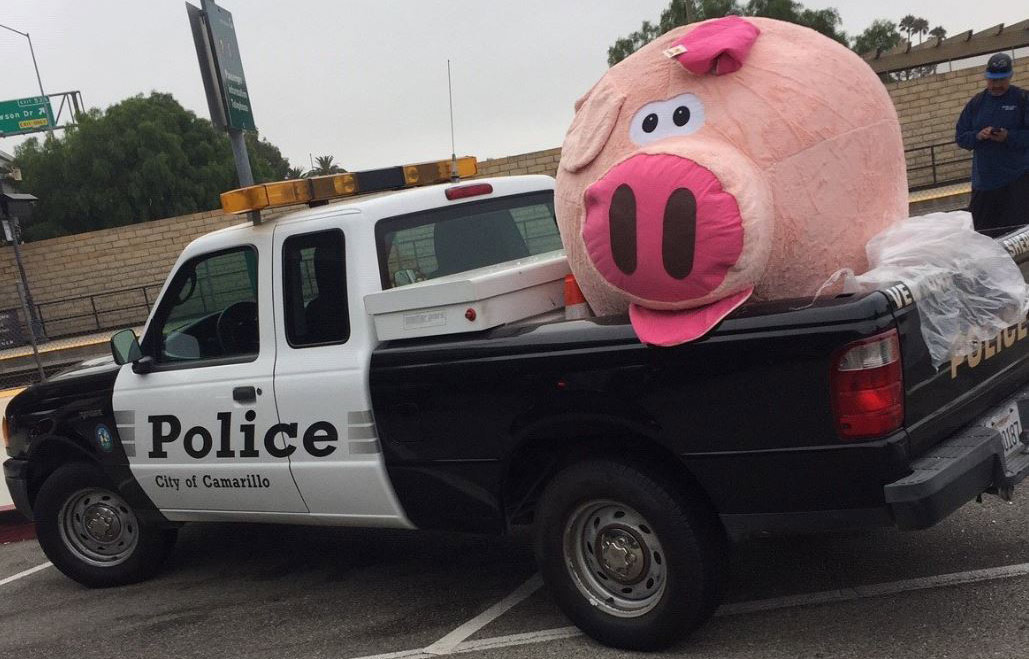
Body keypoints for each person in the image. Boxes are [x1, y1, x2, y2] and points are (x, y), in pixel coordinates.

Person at [955, 53, 1029, 233]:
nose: (996, 85)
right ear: (986, 78)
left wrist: (1008, 136)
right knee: (983, 235)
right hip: (985, 183)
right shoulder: (976, 103)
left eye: (1002, 80)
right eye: (992, 80)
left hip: (1017, 180)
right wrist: (978, 136)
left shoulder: (1022, 99)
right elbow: (961, 137)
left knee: (1019, 233)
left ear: (1010, 76)